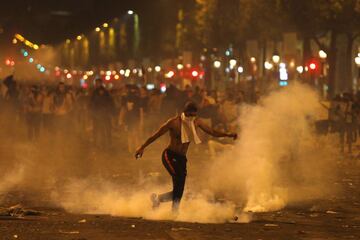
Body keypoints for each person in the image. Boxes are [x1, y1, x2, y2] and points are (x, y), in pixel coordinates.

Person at [135, 101, 237, 212]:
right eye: (189, 114)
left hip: (181, 158)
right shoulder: (174, 122)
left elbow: (212, 132)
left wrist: (228, 135)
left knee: (179, 190)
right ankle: (175, 211)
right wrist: (142, 147)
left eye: (194, 115)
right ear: (185, 112)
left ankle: (158, 199)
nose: (191, 117)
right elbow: (156, 135)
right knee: (178, 179)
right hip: (169, 155)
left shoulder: (197, 122)